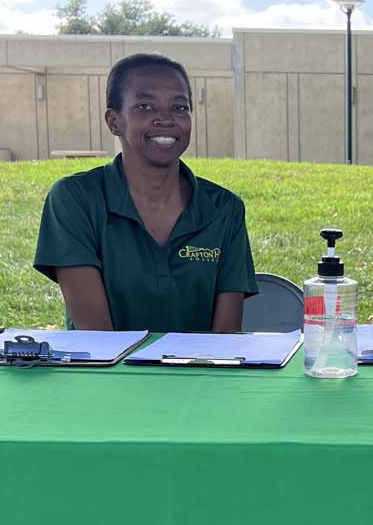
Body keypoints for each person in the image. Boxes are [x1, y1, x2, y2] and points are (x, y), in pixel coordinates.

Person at [34, 53, 257, 331]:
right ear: (114, 121)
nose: (165, 119)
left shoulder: (225, 209)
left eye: (179, 107)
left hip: (201, 373)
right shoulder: (75, 199)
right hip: (108, 373)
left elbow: (225, 338)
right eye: (145, 106)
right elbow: (96, 337)